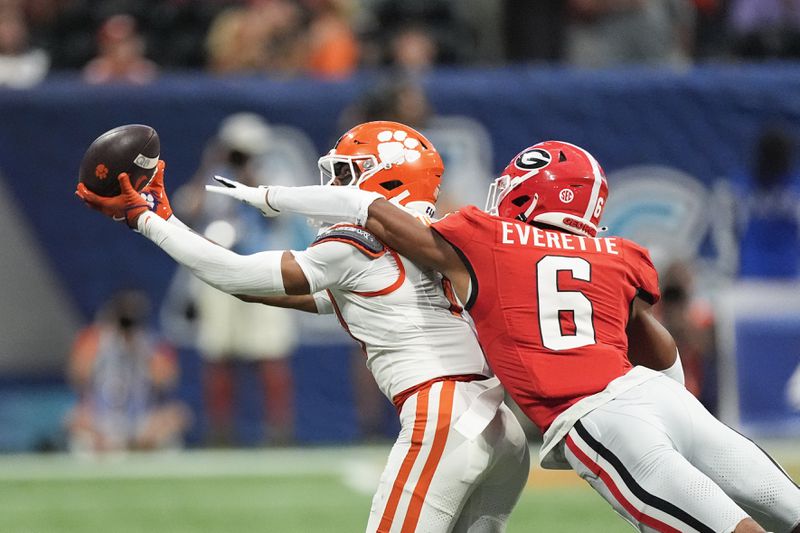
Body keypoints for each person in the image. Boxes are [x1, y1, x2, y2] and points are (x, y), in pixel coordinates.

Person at [211, 140, 800, 532]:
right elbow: (659, 350)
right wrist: (673, 402)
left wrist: (269, 197)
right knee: (786, 507)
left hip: (596, 417)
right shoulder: (617, 252)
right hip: (664, 401)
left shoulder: (489, 238)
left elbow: (370, 211)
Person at [76, 122, 530, 532]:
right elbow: (261, 290)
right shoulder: (439, 236)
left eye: (347, 174)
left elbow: (238, 274)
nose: (333, 186)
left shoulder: (359, 245)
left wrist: (149, 220)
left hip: (444, 415)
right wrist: (168, 222)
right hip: (498, 425)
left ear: (388, 176)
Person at [66, 289, 190, 454]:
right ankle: (111, 445)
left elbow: (166, 380)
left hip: (141, 418)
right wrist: (103, 342)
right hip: (102, 416)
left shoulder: (152, 342)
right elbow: (78, 376)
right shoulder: (95, 339)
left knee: (177, 415)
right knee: (74, 418)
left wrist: (141, 351)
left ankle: (135, 445)